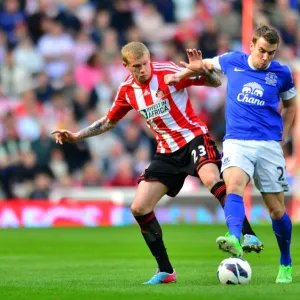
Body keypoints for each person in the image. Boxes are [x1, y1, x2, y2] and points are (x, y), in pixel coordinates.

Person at [52, 42, 262, 285]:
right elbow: (109, 121)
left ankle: (246, 234)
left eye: (145, 64)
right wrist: (77, 136)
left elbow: (215, 82)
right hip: (166, 152)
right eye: (137, 66)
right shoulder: (127, 90)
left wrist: (201, 71)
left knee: (211, 179)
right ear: (126, 66)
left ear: (149, 59)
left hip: (193, 138)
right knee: (139, 208)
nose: (143, 70)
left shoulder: (168, 72)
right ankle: (166, 271)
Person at [167, 25, 296, 284]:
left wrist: (286, 135)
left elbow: (292, 104)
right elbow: (204, 64)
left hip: (269, 145)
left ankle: (286, 262)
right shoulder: (232, 61)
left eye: (271, 53)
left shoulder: (281, 73)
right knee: (233, 184)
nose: (265, 57)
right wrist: (184, 72)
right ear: (251, 46)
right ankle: (235, 238)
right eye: (261, 50)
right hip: (237, 141)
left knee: (276, 211)